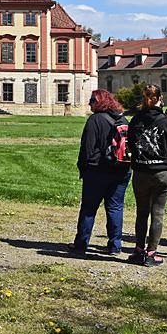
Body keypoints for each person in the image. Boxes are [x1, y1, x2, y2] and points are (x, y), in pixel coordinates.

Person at [70, 89, 131, 256]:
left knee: (89, 208)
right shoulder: (122, 118)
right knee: (115, 207)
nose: (89, 103)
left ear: (99, 102)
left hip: (97, 170)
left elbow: (87, 149)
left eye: (92, 100)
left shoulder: (95, 120)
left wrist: (83, 168)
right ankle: (115, 245)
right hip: (121, 170)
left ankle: (81, 243)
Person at [125, 84, 167, 266]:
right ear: (160, 99)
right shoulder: (166, 122)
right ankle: (152, 252)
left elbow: (130, 144)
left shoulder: (135, 120)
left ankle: (139, 250)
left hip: (140, 171)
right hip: (162, 172)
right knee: (158, 213)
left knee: (141, 212)